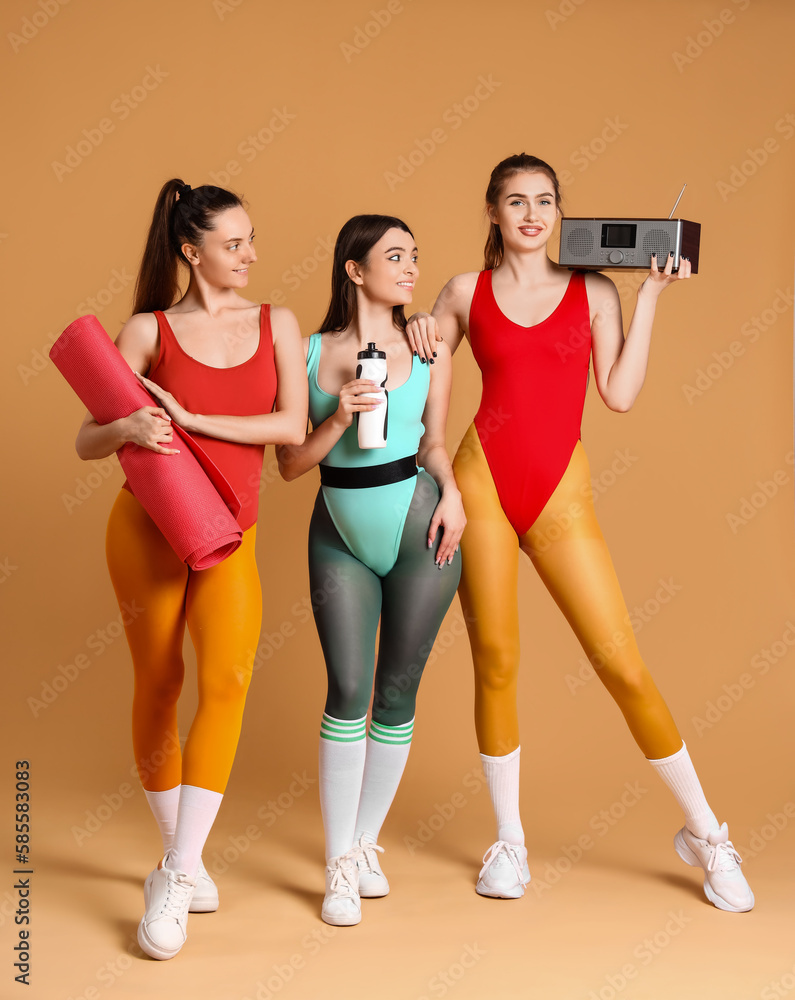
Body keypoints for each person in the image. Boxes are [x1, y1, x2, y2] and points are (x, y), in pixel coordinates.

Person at [405, 153, 753, 912]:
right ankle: (510, 843)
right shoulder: (464, 291)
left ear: (560, 211)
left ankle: (707, 835)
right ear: (492, 212)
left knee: (620, 662)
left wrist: (651, 293)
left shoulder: (593, 289)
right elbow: (431, 401)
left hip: (559, 485)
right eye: (515, 201)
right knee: (495, 659)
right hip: (481, 481)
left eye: (545, 201)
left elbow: (618, 394)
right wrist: (443, 482)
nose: (532, 214)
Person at [75, 179, 307, 959]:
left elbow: (292, 424)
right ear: (190, 249)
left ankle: (175, 872)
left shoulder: (277, 322)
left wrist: (199, 419)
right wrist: (127, 424)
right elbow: (86, 438)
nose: (249, 254)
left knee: (230, 683)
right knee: (160, 682)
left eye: (250, 240)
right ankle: (181, 856)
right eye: (233, 242)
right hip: (147, 532)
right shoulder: (147, 330)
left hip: (231, 535)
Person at [277, 215, 466, 926]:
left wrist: (452, 494)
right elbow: (289, 464)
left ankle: (363, 846)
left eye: (415, 255)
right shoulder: (305, 353)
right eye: (394, 256)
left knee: (395, 690)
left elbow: (436, 445)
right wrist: (336, 420)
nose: (411, 267)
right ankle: (337, 868)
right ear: (354, 270)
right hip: (338, 530)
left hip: (420, 526)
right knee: (348, 687)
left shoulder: (430, 345)